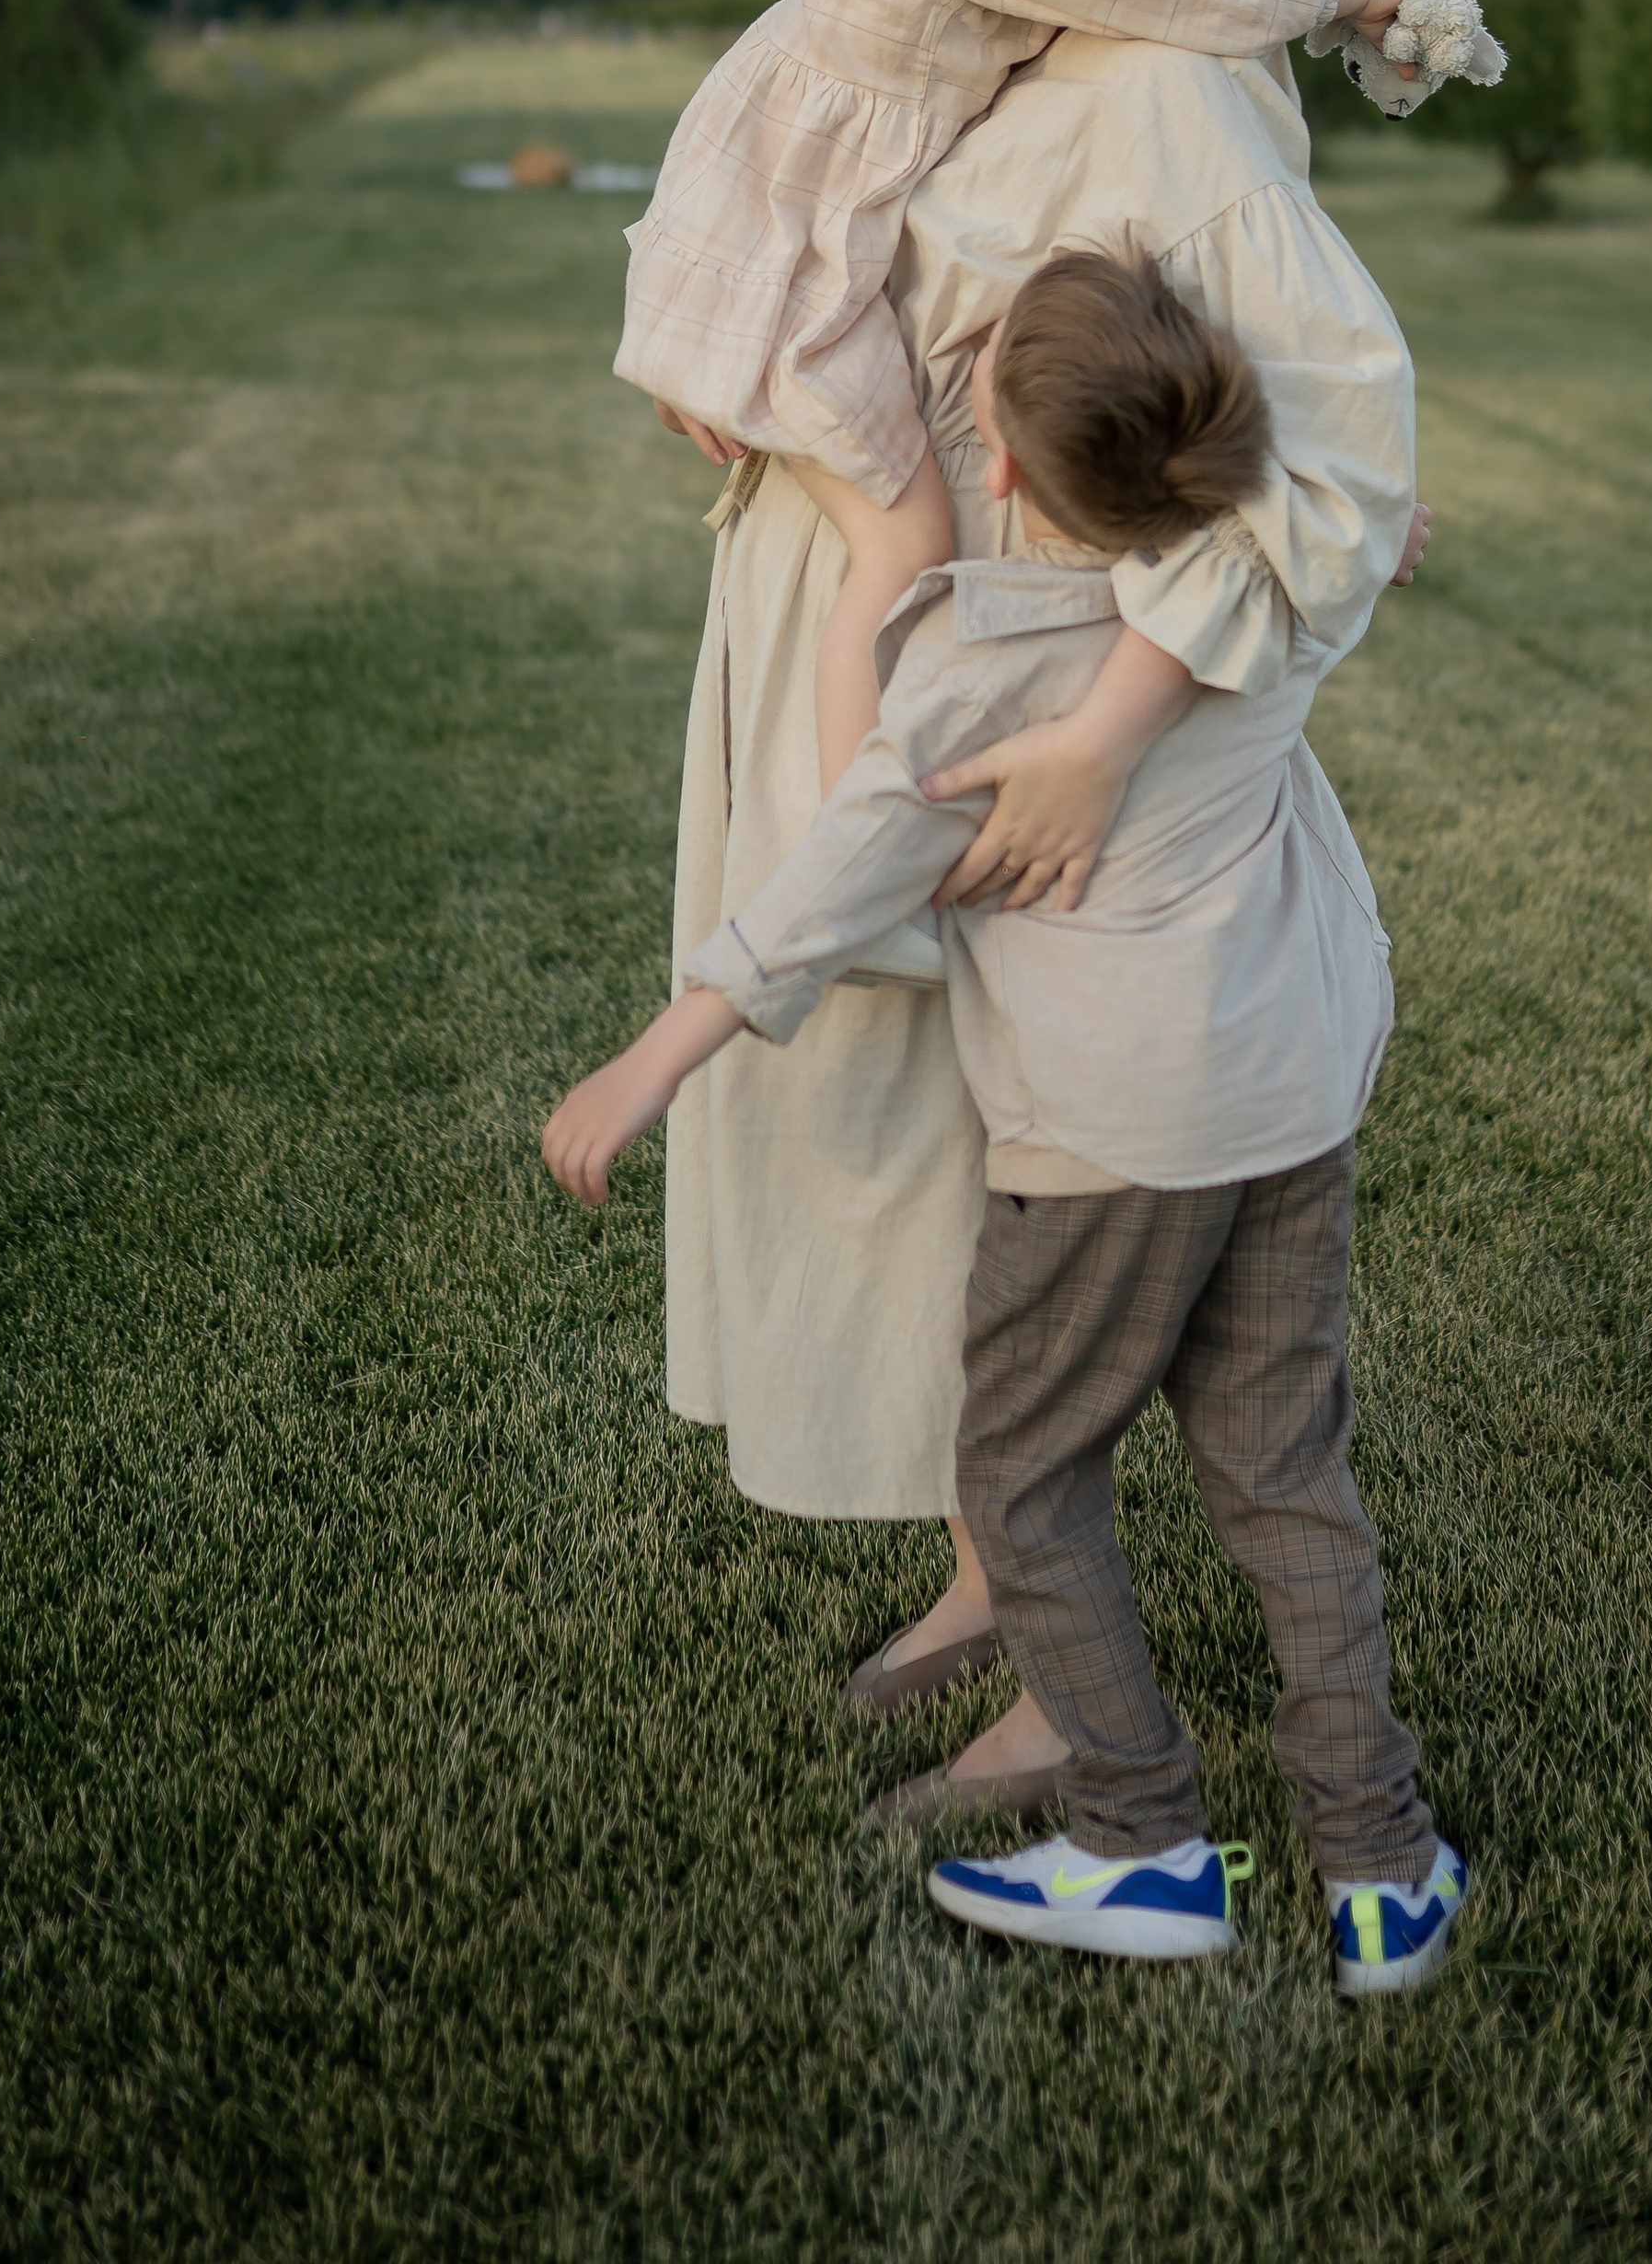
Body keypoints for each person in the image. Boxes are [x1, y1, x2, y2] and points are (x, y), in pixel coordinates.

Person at [654, 0, 1432, 1818]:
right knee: (907, 1129)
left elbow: (1334, 444)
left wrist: (1096, 731)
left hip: (999, 679)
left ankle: (1053, 1659)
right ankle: (1000, 1569)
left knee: (954, 1137)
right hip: (868, 594)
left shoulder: (1177, 84)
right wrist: (753, 357)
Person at [547, 250, 1463, 1995]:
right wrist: (1383, 531)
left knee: (1026, 1476)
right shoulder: (1261, 588)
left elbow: (815, 900)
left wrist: (650, 1065)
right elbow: (1361, 539)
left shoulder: (971, 674)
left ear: (1010, 471)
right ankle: (1380, 1869)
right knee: (1284, 1476)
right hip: (1291, 1096)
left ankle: (1144, 1838)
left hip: (1111, 1136)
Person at [613, 0, 1467, 797]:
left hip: (960, 679)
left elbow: (1326, 422)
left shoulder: (1170, 72)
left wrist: (1101, 739)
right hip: (841, 624)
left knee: (845, 938)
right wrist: (726, 319)